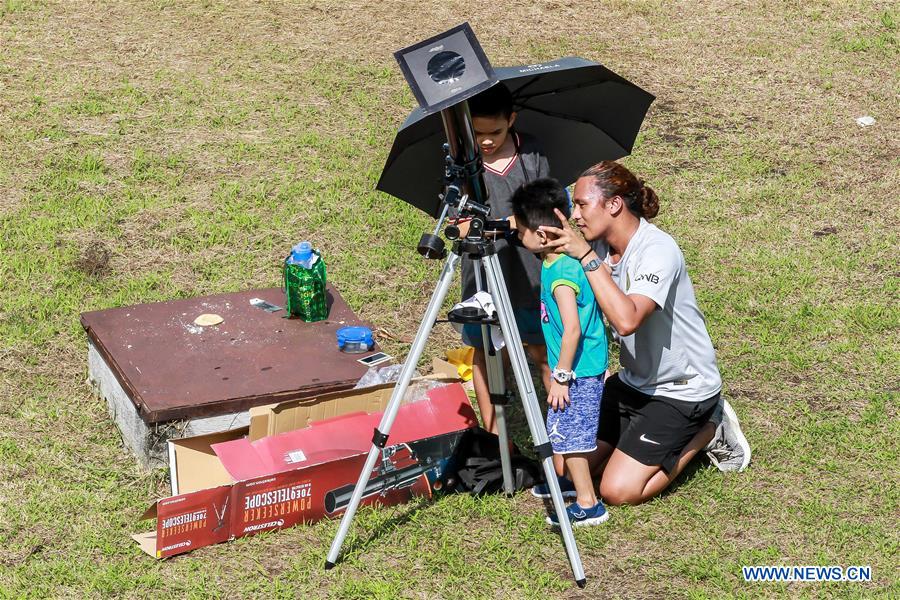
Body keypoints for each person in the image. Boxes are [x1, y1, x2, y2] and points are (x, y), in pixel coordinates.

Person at [539, 160, 751, 506]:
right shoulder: (599, 244)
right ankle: (635, 442)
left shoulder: (656, 250)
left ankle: (709, 428)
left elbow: (627, 320)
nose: (575, 215)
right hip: (632, 383)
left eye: (581, 204)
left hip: (681, 390)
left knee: (617, 491)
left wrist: (588, 258)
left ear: (614, 204)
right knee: (566, 466)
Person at [510, 178, 610, 526]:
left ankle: (589, 503)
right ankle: (569, 483)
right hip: (577, 368)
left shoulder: (561, 274)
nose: (517, 234)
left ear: (542, 235)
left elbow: (572, 329)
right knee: (565, 429)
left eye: (520, 229)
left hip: (577, 371)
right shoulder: (558, 259)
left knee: (573, 436)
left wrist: (562, 377)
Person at [458, 83, 551, 433]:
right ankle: (496, 435)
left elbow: (546, 210)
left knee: (541, 350)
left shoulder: (532, 153)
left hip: (531, 274)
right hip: (481, 277)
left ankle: (555, 426)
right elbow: (461, 226)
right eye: (477, 133)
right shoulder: (464, 164)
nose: (486, 141)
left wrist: (496, 225)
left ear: (511, 120)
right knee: (487, 353)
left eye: (495, 132)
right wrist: (510, 224)